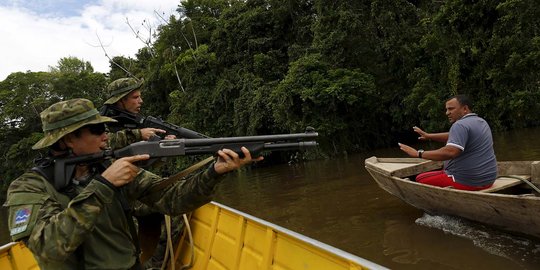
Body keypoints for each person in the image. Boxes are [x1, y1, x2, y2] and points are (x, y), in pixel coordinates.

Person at [5, 98, 262, 269]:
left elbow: (172, 199)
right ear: (68, 140)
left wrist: (214, 171)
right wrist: (104, 185)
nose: (107, 134)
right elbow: (47, 247)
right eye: (97, 130)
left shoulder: (106, 167)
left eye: (105, 128)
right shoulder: (28, 187)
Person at [398, 94, 497, 191]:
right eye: (446, 109)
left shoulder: (459, 125)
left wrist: (418, 153)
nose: (447, 113)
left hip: (470, 182)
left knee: (420, 178)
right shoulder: (480, 121)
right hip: (489, 179)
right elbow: (453, 136)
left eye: (451, 109)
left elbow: (450, 152)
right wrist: (428, 136)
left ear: (465, 109)